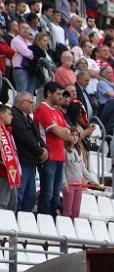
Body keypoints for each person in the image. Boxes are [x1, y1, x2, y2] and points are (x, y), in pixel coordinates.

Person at [35, 82, 72, 217]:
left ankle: (51, 222)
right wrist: (64, 132)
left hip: (60, 157)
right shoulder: (42, 109)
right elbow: (60, 132)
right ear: (49, 93)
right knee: (48, 193)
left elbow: (69, 133)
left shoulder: (57, 112)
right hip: (48, 156)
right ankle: (43, 220)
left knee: (56, 195)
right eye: (57, 94)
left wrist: (65, 133)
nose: (60, 97)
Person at [12, 92, 46, 213]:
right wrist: (40, 150)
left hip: (30, 160)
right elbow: (23, 136)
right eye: (31, 102)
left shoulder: (26, 117)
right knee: (20, 193)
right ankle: (15, 219)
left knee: (30, 196)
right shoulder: (15, 116)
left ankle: (24, 220)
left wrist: (44, 148)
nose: (34, 105)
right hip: (22, 160)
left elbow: (36, 136)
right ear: (22, 103)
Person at [0, 105, 20, 211]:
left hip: (10, 173)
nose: (12, 117)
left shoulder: (7, 131)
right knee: (3, 203)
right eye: (9, 114)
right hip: (3, 172)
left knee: (12, 203)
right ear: (2, 115)